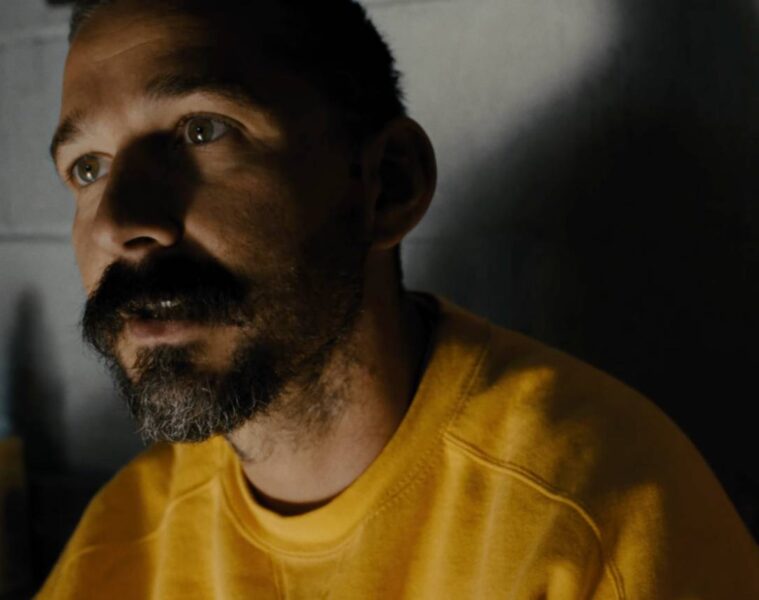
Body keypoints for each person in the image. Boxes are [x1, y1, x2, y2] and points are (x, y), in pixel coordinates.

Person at [39, 0, 758, 597]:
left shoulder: (600, 518)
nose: (117, 223)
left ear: (389, 185)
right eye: (88, 168)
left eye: (202, 130)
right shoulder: (122, 538)